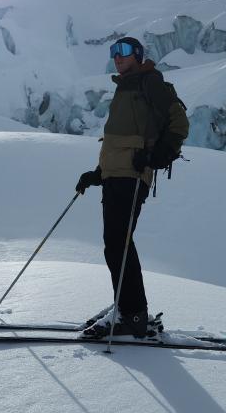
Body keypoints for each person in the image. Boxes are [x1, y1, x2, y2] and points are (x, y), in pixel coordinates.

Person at [75, 37, 189, 338]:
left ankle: (133, 315)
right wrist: (98, 173)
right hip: (117, 174)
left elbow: (179, 122)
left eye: (124, 51)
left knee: (118, 244)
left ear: (137, 55)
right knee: (115, 244)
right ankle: (126, 307)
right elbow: (119, 140)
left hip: (132, 175)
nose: (117, 57)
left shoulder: (149, 82)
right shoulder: (124, 89)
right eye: (113, 52)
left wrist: (157, 156)